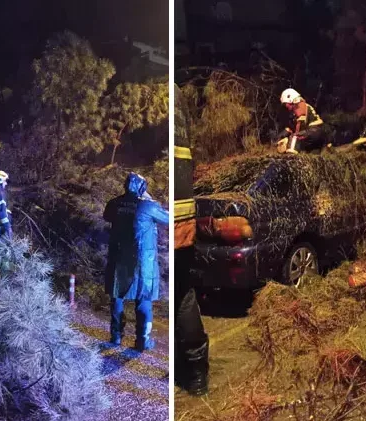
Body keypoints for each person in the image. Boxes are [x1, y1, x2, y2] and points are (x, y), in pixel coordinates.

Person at [104, 173, 169, 352]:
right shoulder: (147, 206)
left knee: (117, 297)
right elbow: (169, 218)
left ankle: (116, 336)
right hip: (142, 262)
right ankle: (142, 340)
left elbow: (107, 215)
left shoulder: (114, 204)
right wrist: (149, 200)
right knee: (144, 299)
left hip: (119, 260)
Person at [174, 90, 210, 394]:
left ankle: (188, 371)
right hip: (184, 220)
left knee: (176, 296)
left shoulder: (163, 98)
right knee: (183, 295)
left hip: (168, 225)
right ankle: (196, 376)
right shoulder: (177, 98)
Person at [276, 88, 325, 154]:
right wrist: (281, 137)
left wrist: (287, 141)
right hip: (313, 133)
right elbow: (291, 128)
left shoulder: (300, 106)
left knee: (294, 137)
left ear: (291, 99)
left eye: (286, 103)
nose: (286, 106)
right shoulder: (295, 110)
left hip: (314, 130)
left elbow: (300, 126)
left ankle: (291, 159)